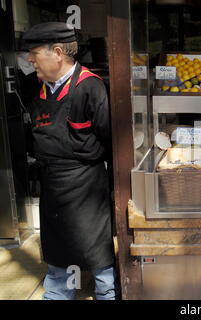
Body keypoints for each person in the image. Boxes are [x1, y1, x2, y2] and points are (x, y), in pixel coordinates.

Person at [22, 22, 119, 300]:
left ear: (56, 53)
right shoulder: (35, 87)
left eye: (34, 52)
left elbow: (110, 139)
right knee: (57, 246)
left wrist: (114, 187)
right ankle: (56, 294)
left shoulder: (91, 87)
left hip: (86, 183)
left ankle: (107, 293)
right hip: (52, 182)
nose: (29, 59)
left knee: (95, 248)